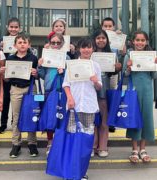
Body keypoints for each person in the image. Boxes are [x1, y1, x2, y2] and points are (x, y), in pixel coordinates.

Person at [63, 37, 102, 180]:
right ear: (79, 49)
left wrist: (95, 81)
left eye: (89, 47)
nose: (86, 50)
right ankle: (71, 171)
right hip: (74, 106)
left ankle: (82, 171)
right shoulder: (72, 64)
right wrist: (70, 98)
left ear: (93, 49)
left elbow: (99, 87)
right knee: (73, 138)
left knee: (86, 141)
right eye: (84, 47)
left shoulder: (96, 66)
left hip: (89, 107)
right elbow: (66, 84)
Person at [0, 33, 38, 158]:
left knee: (32, 115)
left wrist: (35, 73)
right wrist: (3, 73)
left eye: (25, 42)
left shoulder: (33, 58)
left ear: (29, 44)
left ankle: (32, 143)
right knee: (16, 117)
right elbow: (7, 80)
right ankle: (16, 144)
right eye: (20, 42)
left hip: (31, 89)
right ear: (15, 45)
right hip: (15, 89)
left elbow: (38, 76)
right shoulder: (10, 58)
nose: (22, 44)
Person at [123, 30, 157, 163]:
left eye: (143, 40)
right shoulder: (129, 55)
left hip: (148, 91)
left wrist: (155, 65)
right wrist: (128, 68)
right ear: (133, 41)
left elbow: (154, 77)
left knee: (146, 118)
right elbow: (125, 77)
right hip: (134, 91)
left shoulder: (151, 55)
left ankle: (143, 149)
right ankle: (134, 149)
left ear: (146, 42)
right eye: (137, 40)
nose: (140, 43)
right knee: (134, 118)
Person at [38, 32, 70, 155]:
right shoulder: (45, 56)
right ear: (49, 43)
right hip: (49, 91)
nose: (55, 44)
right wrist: (40, 66)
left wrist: (64, 71)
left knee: (62, 118)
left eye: (58, 42)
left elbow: (71, 76)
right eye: (53, 42)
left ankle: (60, 142)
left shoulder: (66, 58)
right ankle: (50, 142)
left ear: (62, 43)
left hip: (62, 91)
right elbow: (41, 75)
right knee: (50, 117)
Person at [91, 29, 121, 158]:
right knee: (91, 121)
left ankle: (102, 147)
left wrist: (117, 68)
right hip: (90, 92)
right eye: (98, 38)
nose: (101, 40)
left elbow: (112, 73)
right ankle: (92, 146)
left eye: (103, 38)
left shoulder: (112, 54)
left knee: (103, 121)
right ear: (94, 40)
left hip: (104, 92)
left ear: (107, 40)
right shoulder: (89, 53)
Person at [0, 17, 21, 134]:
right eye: (11, 27)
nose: (13, 29)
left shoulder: (22, 40)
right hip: (7, 74)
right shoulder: (2, 41)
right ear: (7, 27)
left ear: (19, 28)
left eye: (16, 27)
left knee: (15, 101)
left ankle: (14, 123)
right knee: (6, 99)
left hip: (18, 75)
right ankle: (3, 124)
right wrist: (0, 47)